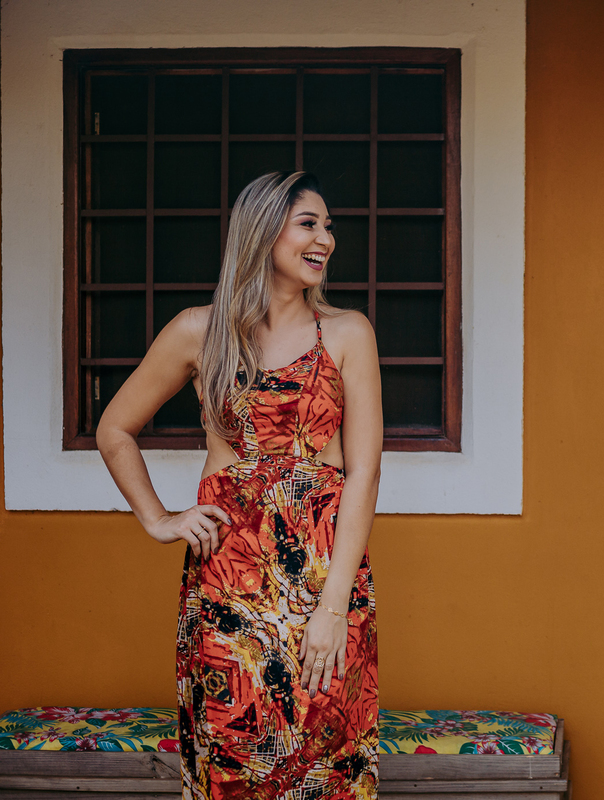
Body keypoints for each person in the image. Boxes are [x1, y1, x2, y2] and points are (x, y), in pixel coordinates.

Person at [97, 171, 383, 799]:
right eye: (308, 224)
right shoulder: (198, 332)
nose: (326, 239)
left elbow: (364, 474)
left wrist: (334, 607)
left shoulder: (346, 333)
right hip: (229, 581)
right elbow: (115, 428)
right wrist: (159, 518)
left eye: (328, 226)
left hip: (324, 580)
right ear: (263, 231)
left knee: (326, 762)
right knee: (233, 756)